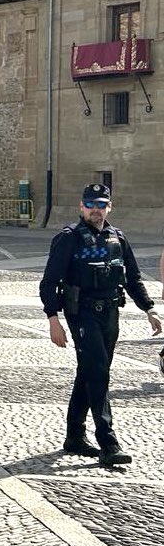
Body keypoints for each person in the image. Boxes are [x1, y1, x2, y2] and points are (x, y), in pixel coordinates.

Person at [39, 183, 161, 467]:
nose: (96, 210)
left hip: (110, 313)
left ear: (109, 207)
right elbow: (49, 281)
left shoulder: (117, 237)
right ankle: (108, 442)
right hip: (81, 313)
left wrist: (149, 309)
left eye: (101, 205)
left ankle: (74, 436)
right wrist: (52, 319)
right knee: (98, 373)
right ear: (81, 207)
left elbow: (133, 277)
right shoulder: (68, 238)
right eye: (91, 205)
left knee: (91, 371)